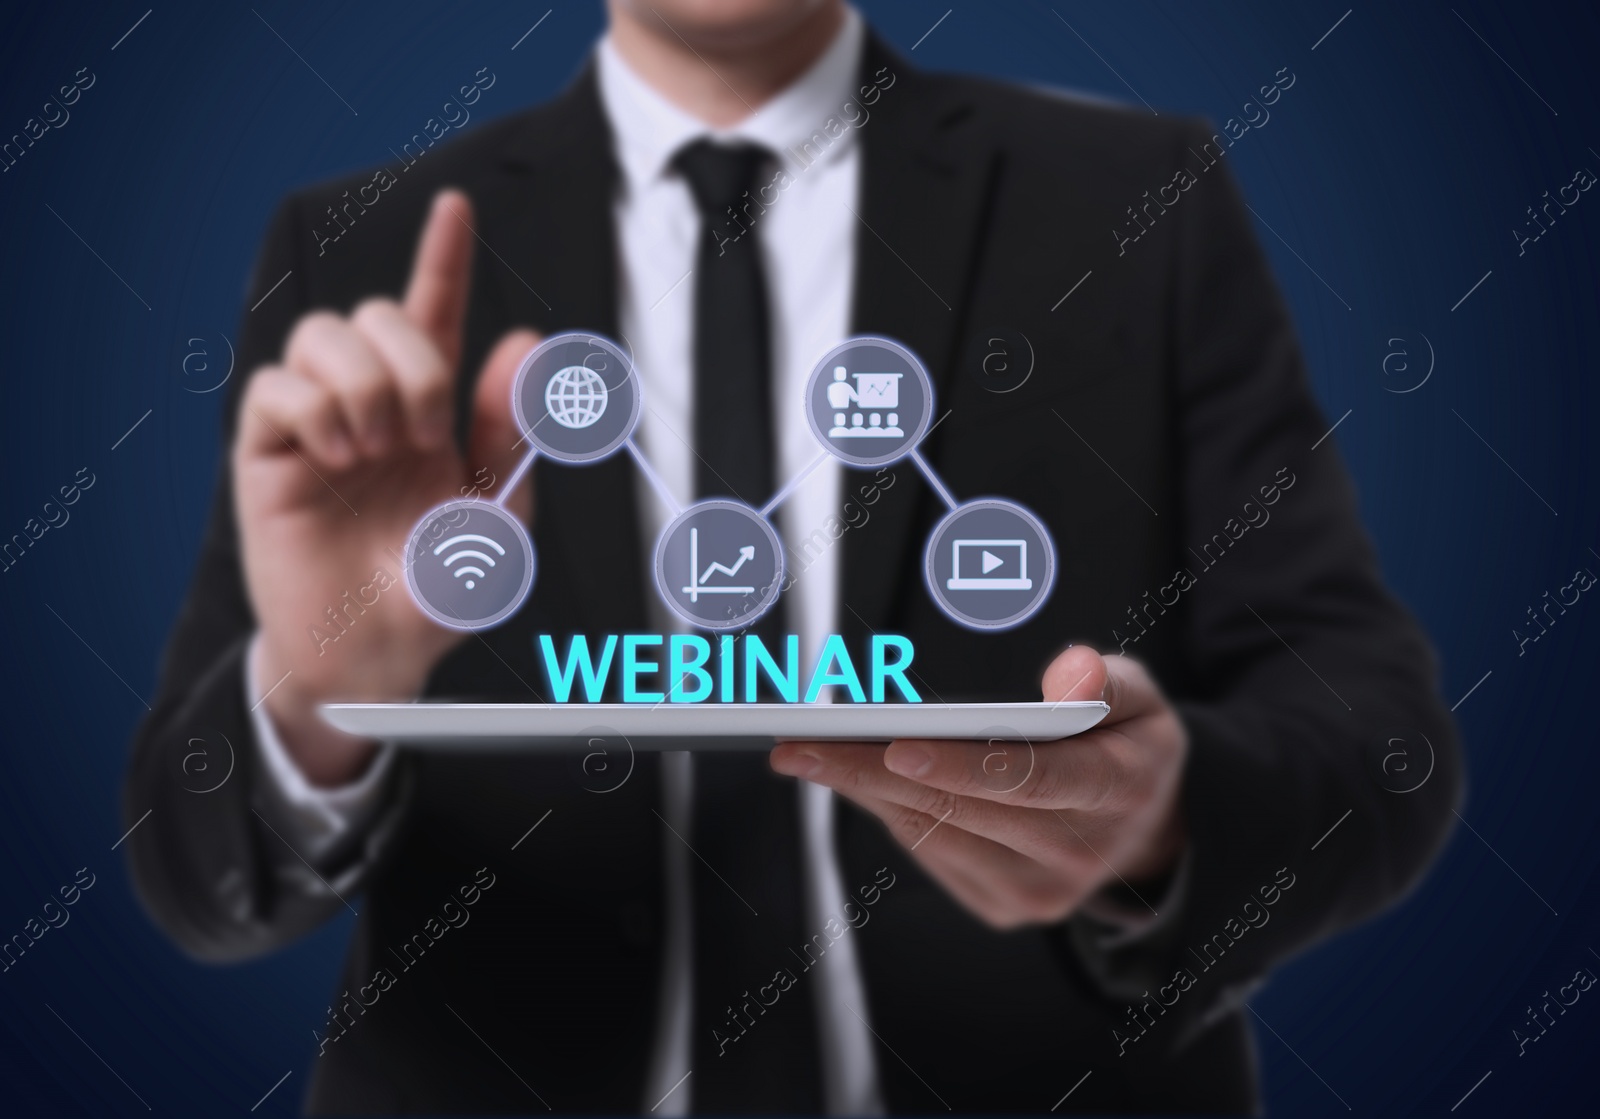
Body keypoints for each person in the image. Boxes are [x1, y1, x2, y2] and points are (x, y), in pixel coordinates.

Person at [123, 0, 1461, 1113]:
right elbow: (193, 878)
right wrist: (315, 691)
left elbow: (1376, 735)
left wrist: (1162, 825)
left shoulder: (1133, 201)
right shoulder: (363, 251)